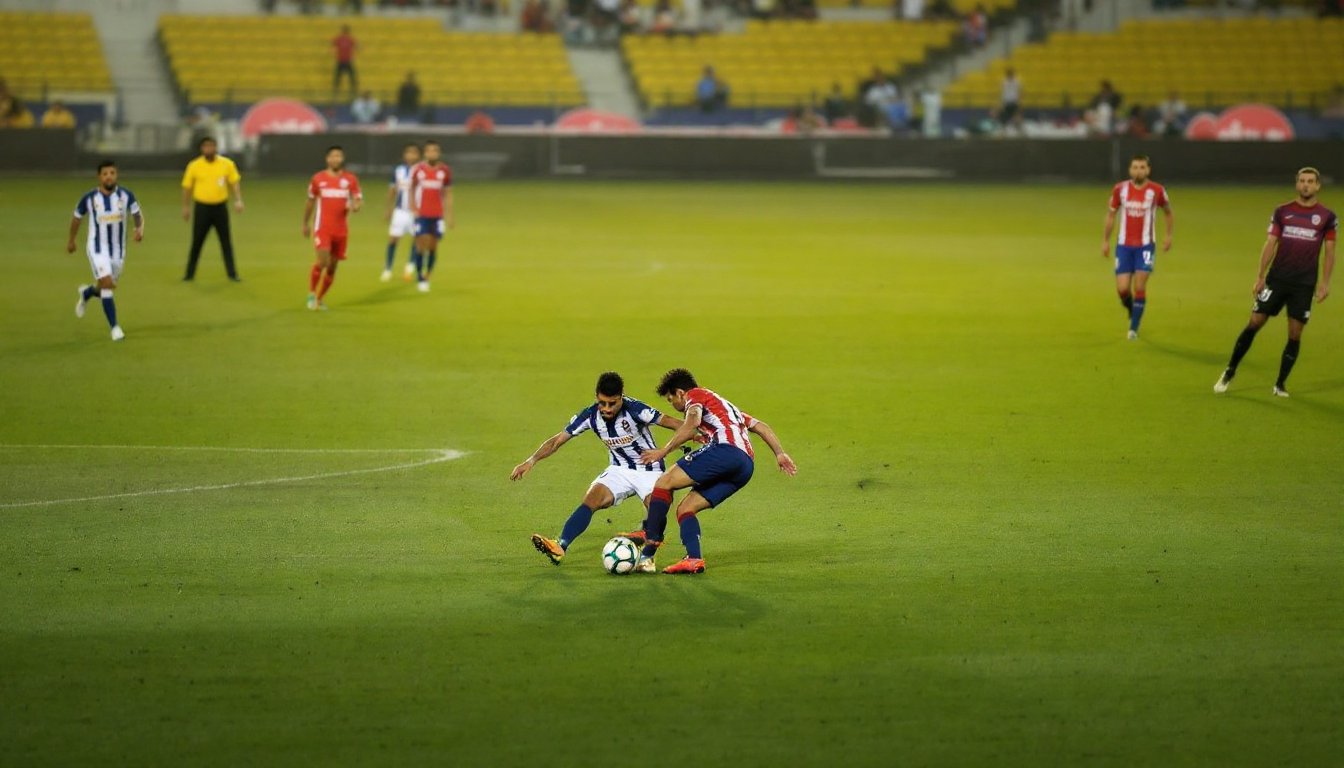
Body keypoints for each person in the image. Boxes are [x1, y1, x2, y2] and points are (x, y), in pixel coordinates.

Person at [625, 368, 797, 575]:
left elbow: (692, 423)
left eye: (671, 399)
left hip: (726, 451)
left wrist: (663, 451)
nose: (675, 405)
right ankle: (694, 559)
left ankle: (650, 539)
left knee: (664, 482)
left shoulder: (695, 396)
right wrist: (779, 453)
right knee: (686, 508)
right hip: (745, 467)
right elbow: (761, 426)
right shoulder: (727, 408)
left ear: (680, 393)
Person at [513, 371, 689, 565]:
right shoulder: (589, 415)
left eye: (612, 403)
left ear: (621, 398)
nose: (606, 408)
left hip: (650, 469)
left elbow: (678, 424)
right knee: (591, 499)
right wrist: (531, 461)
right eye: (602, 403)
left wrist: (676, 444)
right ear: (597, 397)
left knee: (656, 510)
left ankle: (647, 556)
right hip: (619, 469)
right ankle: (560, 546)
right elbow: (556, 441)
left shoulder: (636, 409)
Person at [1214, 168, 1337, 397]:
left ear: (1318, 185)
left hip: (1304, 285)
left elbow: (1330, 252)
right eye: (1302, 181)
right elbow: (1270, 243)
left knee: (1295, 334)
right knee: (1254, 322)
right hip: (1277, 280)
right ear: (1296, 184)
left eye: (1310, 181)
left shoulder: (1328, 217)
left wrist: (1325, 283)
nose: (1306, 185)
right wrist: (1260, 276)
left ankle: (1280, 384)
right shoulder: (1283, 211)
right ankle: (1230, 370)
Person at [66, 160, 143, 342]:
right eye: (105, 173)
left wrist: (139, 229)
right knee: (107, 285)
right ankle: (115, 328)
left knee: (104, 287)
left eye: (112, 173)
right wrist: (71, 240)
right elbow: (77, 218)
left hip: (118, 251)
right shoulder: (90, 198)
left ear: (116, 175)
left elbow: (137, 213)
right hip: (97, 248)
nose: (109, 176)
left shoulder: (126, 195)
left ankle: (87, 293)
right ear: (99, 177)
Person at [1101, 154, 1173, 339]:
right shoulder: (1120, 189)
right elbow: (1111, 215)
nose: (1138, 170)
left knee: (1139, 285)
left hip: (1146, 246)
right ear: (1130, 169)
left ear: (1148, 170)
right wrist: (1105, 241)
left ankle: (1133, 328)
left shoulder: (1157, 190)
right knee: (1123, 289)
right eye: (1135, 167)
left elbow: (1168, 212)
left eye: (1142, 167)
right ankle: (1133, 310)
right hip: (1124, 246)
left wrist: (1168, 236)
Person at [302, 145, 363, 310]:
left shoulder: (350, 179)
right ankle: (311, 294)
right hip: (323, 228)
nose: (335, 159)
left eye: (338, 156)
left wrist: (356, 206)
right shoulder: (318, 179)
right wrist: (305, 223)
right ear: (327, 159)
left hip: (341, 230)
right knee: (322, 262)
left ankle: (320, 299)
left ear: (342, 159)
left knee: (332, 267)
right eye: (332, 156)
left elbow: (357, 199)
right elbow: (310, 201)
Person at [181, 136, 244, 282]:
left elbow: (234, 182)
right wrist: (186, 207)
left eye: (211, 146)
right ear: (202, 149)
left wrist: (238, 200)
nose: (208, 149)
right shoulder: (194, 165)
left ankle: (232, 274)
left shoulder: (226, 164)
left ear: (216, 148)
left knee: (226, 241)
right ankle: (189, 274)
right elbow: (187, 188)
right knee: (197, 241)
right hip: (202, 208)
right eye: (206, 146)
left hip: (220, 208)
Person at [409, 139, 454, 293]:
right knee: (421, 244)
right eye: (429, 150)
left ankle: (427, 275)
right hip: (422, 213)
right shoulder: (418, 170)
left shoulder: (444, 171)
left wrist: (450, 215)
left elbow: (448, 194)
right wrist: (413, 206)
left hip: (437, 214)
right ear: (425, 153)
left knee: (433, 246)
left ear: (438, 153)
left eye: (435, 150)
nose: (432, 153)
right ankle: (420, 276)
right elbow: (412, 188)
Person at [382, 142, 421, 282]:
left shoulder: (422, 171)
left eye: (414, 153)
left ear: (418, 155)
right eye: (408, 153)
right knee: (393, 239)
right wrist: (388, 209)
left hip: (416, 212)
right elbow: (392, 190)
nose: (411, 156)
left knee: (417, 240)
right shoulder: (398, 170)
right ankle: (388, 268)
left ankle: (409, 268)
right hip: (400, 211)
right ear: (404, 155)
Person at [332, 24, 358, 95]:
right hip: (341, 60)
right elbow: (333, 44)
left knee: (351, 75)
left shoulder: (350, 39)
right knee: (338, 76)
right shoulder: (339, 39)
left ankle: (353, 89)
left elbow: (356, 45)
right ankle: (336, 89)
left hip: (347, 60)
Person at [998, 67, 1022, 133]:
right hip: (1006, 101)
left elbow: (1019, 91)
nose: (1010, 76)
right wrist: (1001, 102)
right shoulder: (1004, 81)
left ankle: (1019, 129)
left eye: (1011, 74)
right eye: (1009, 74)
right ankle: (1004, 129)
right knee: (1004, 115)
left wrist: (1019, 101)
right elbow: (1002, 92)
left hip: (1014, 100)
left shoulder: (1017, 82)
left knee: (1017, 115)